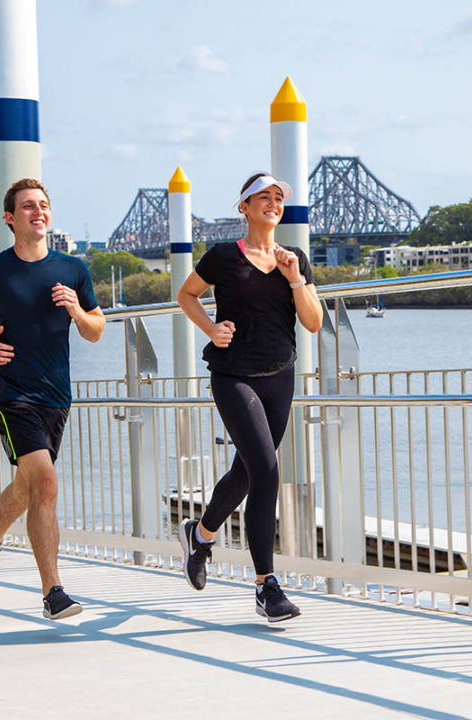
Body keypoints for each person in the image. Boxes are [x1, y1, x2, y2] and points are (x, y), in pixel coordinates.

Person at [0, 178, 105, 620]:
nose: (38, 212)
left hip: (56, 396)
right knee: (47, 481)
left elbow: (96, 330)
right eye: (28, 206)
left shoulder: (73, 269)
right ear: (10, 218)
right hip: (11, 391)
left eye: (43, 205)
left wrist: (77, 310)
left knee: (28, 485)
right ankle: (53, 592)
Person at [175, 172, 323, 622]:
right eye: (263, 197)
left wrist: (295, 279)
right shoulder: (223, 256)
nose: (273, 203)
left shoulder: (294, 259)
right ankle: (266, 586)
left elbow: (313, 322)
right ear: (244, 206)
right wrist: (211, 328)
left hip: (280, 375)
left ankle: (200, 536)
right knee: (266, 469)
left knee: (246, 471)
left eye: (278, 198)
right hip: (234, 375)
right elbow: (187, 294)